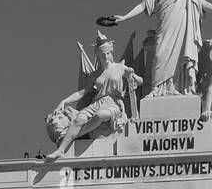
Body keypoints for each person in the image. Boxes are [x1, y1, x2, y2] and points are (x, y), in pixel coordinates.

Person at [44, 32, 141, 161]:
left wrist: (131, 75)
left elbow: (140, 81)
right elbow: (82, 93)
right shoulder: (95, 75)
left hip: (113, 103)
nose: (106, 57)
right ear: (98, 55)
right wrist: (64, 100)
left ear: (111, 52)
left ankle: (75, 135)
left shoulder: (120, 67)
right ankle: (61, 150)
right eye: (103, 54)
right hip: (97, 103)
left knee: (100, 115)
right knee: (78, 120)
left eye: (108, 53)